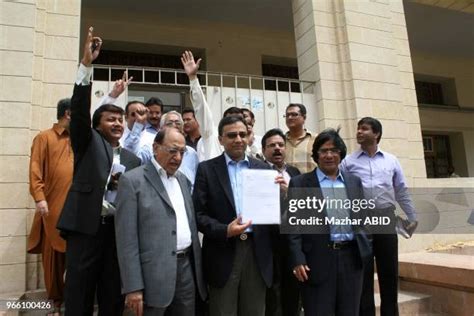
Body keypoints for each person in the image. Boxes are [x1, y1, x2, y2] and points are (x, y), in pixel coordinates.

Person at [57, 27, 141, 315]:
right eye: (110, 118)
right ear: (97, 125)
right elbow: (80, 111)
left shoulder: (132, 159)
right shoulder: (88, 141)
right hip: (85, 229)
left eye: (121, 119)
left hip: (117, 234)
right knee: (79, 296)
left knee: (111, 297)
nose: (118, 123)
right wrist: (86, 66)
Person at [193, 116, 280, 316]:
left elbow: (275, 216)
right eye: (232, 135)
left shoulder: (264, 169)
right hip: (223, 252)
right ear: (220, 139)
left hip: (257, 252)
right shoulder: (207, 169)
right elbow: (198, 214)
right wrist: (225, 230)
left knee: (255, 311)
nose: (238, 139)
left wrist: (281, 196)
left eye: (243, 134)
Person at [115, 128, 207, 316]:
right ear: (155, 148)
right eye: (172, 150)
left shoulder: (183, 180)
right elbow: (126, 241)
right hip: (152, 276)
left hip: (186, 271)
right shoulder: (132, 181)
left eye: (182, 152)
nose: (178, 157)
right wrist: (133, 287)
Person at [288, 128, 371, 316]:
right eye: (323, 151)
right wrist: (297, 259)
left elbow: (363, 220)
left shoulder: (353, 182)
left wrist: (366, 247)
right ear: (316, 155)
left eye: (334, 150)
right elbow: (293, 226)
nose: (329, 155)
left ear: (341, 154)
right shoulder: (300, 183)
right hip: (316, 260)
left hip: (351, 258)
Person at [340, 117, 417, 316]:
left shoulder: (391, 160)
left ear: (376, 134)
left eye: (364, 129)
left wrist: (411, 215)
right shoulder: (348, 162)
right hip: (360, 220)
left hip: (385, 218)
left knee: (389, 272)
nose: (358, 132)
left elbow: (401, 190)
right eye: (358, 128)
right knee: (363, 273)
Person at [27, 98, 73, 314]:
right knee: (53, 259)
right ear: (68, 114)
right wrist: (39, 198)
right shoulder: (44, 137)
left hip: (76, 210)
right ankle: (54, 302)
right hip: (52, 208)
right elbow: (35, 167)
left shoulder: (80, 139)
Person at [261, 128, 301, 316]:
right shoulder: (256, 171)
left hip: (292, 241)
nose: (277, 149)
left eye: (280, 145)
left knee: (292, 292)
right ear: (263, 150)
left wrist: (289, 193)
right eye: (271, 146)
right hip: (268, 242)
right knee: (272, 293)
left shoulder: (294, 172)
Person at [182, 51, 246, 161]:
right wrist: (193, 79)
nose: (238, 139)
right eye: (230, 119)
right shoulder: (211, 135)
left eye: (239, 119)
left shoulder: (248, 146)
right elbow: (201, 109)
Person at [284, 103, 316, 173]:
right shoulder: (281, 142)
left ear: (304, 118)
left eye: (294, 114)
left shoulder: (316, 139)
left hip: (310, 183)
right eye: (287, 115)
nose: (290, 117)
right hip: (286, 183)